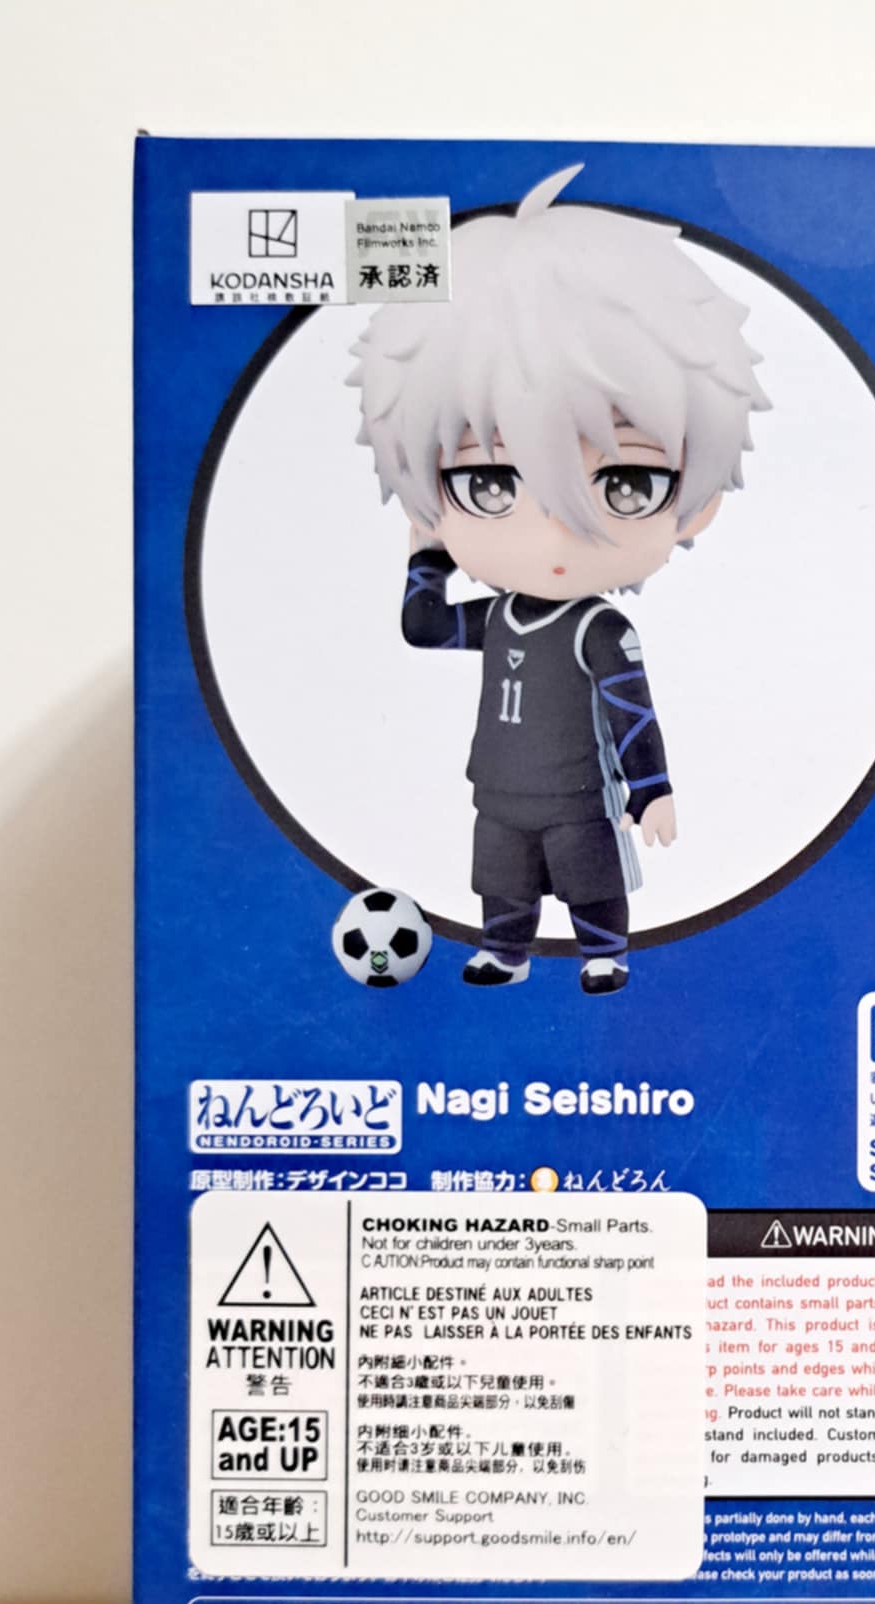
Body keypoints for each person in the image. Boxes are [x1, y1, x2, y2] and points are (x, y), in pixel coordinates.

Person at [351, 165, 769, 993]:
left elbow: (630, 709)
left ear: (696, 507)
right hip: (500, 789)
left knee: (588, 874)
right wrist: (425, 548)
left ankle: (604, 951)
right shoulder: (500, 615)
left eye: (627, 484)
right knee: (501, 876)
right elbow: (426, 627)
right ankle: (504, 950)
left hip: (579, 795)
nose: (551, 530)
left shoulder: (599, 630)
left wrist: (652, 792)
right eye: (488, 484)